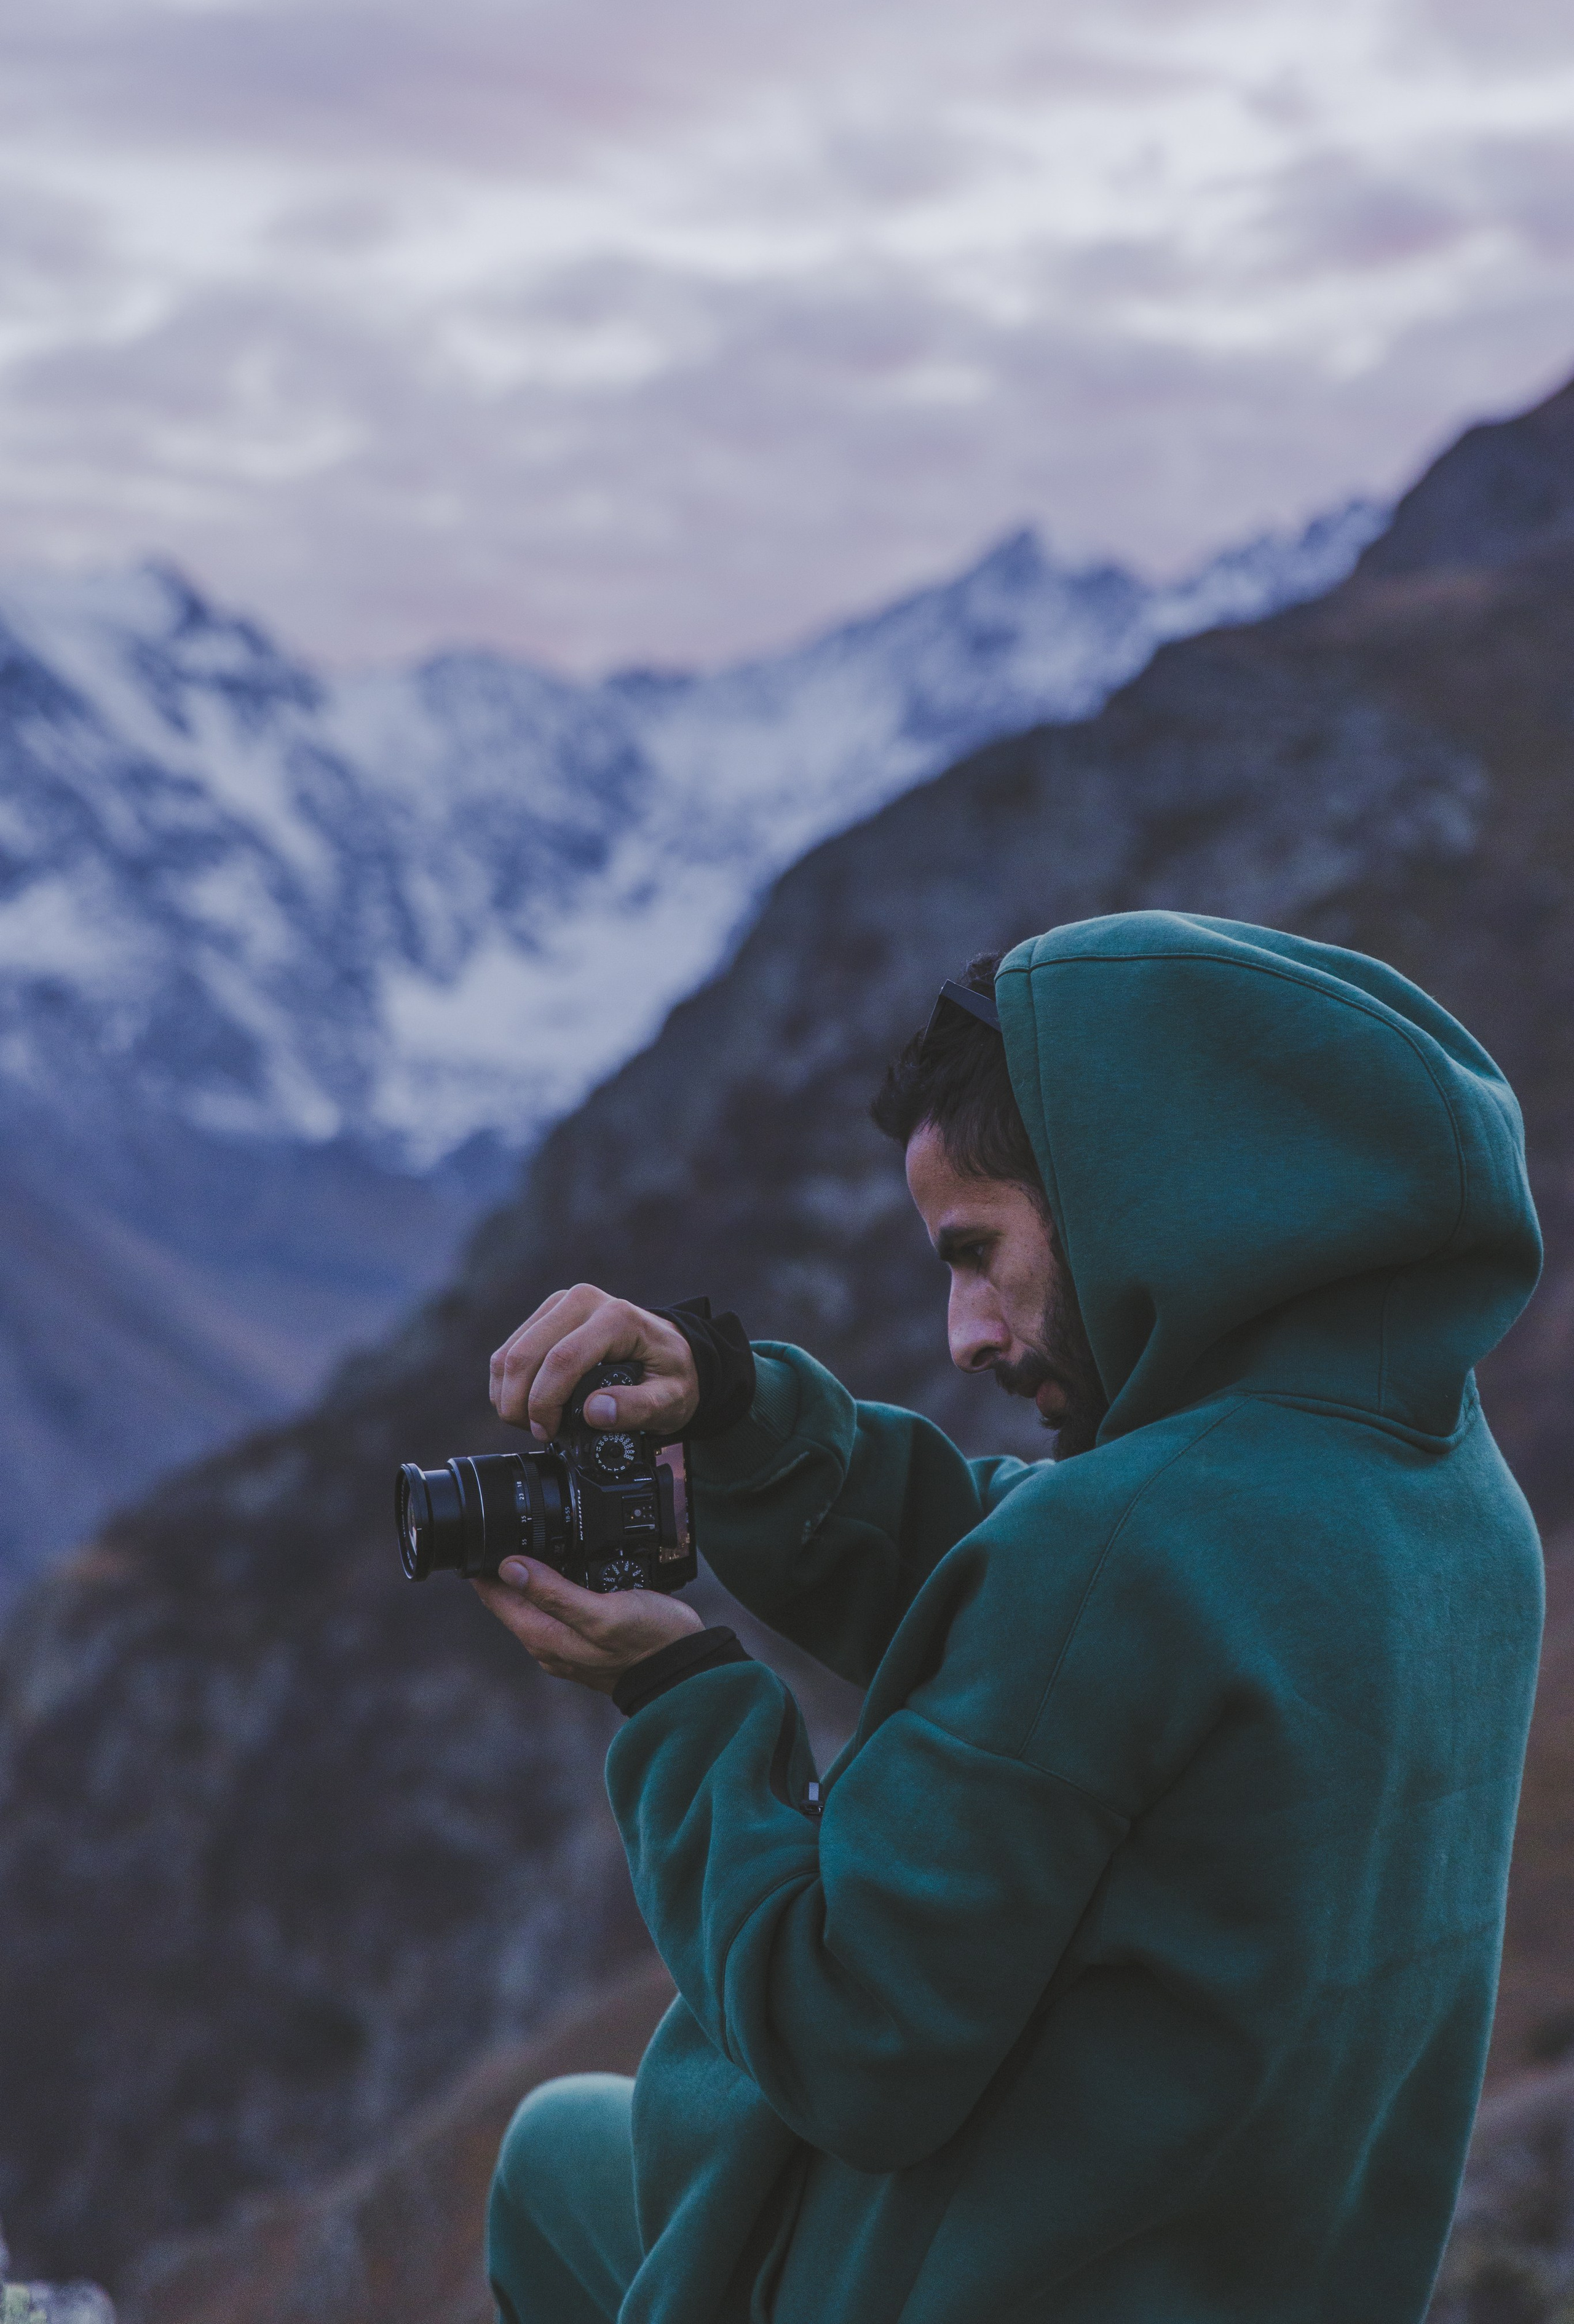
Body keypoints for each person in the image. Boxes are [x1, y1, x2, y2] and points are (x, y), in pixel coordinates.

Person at [477, 909, 1544, 2324]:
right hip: (1247, 2271)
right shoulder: (1446, 1492)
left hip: (978, 2284)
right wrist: (740, 1411)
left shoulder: (1116, 1554)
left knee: (555, 2156)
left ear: (1140, 1198)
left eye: (977, 1251)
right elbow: (1056, 1588)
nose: (964, 1335)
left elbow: (845, 2037)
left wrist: (679, 1703)